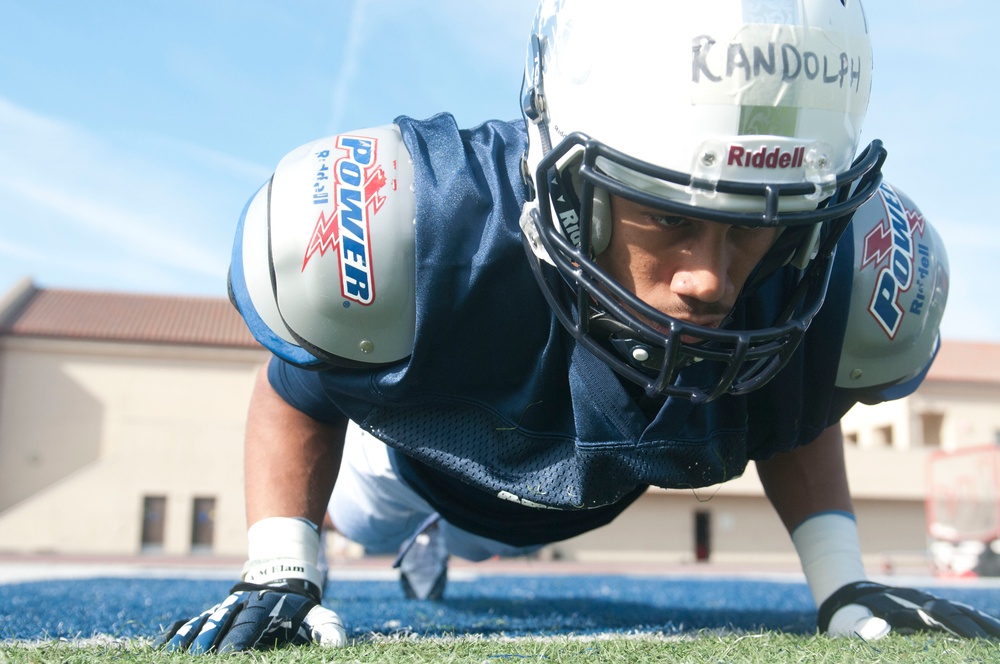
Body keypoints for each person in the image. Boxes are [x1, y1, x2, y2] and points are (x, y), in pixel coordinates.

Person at [159, 0, 1000, 652]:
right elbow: (298, 386)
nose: (712, 280)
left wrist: (842, 585)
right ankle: (403, 534)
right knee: (361, 521)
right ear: (565, 179)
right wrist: (281, 568)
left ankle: (446, 549)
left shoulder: (816, 266)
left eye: (752, 226)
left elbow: (797, 402)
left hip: (583, 496)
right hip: (418, 460)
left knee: (485, 548)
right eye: (669, 217)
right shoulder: (431, 228)